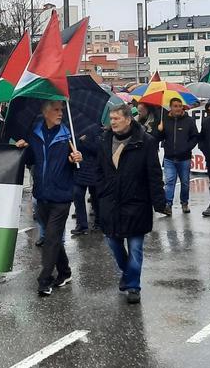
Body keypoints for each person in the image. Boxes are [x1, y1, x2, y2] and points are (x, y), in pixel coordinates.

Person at [96, 104, 169, 304]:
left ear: (128, 119)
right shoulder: (104, 140)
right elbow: (99, 171)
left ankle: (133, 286)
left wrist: (159, 202)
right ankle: (127, 273)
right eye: (111, 119)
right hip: (111, 202)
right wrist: (100, 192)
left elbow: (154, 174)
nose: (113, 122)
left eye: (116, 118)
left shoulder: (145, 142)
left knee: (135, 247)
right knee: (113, 242)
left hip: (137, 202)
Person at [16, 99, 83, 296]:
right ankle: (65, 271)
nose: (60, 113)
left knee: (51, 238)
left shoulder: (68, 135)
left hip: (61, 195)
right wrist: (22, 148)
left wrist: (76, 159)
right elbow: (30, 160)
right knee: (53, 239)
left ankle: (45, 279)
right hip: (42, 194)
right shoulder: (35, 133)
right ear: (45, 113)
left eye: (61, 110)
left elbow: (78, 163)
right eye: (55, 110)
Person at [158, 96, 199, 214]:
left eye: (180, 106)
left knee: (185, 182)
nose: (178, 108)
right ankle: (168, 205)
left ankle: (184, 202)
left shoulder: (188, 120)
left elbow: (195, 136)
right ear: (170, 107)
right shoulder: (165, 120)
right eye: (175, 106)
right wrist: (160, 130)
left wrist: (187, 147)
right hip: (169, 158)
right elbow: (159, 138)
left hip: (184, 158)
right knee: (170, 181)